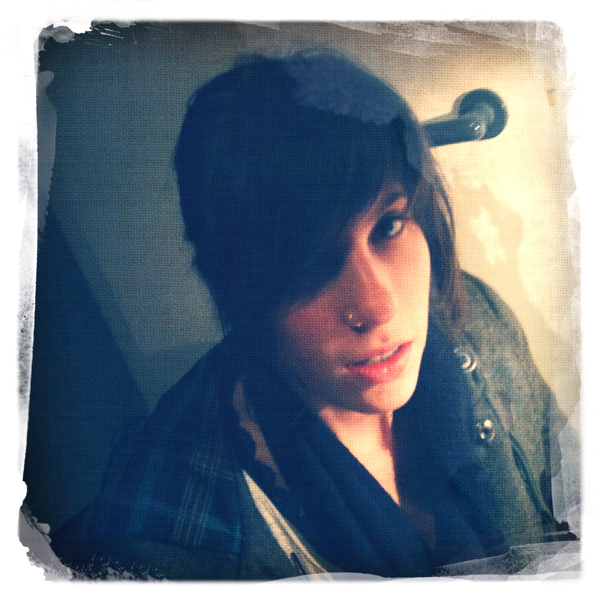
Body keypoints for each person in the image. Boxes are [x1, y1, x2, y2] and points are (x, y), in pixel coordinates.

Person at [49, 50, 574, 580]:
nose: (378, 306)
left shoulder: (476, 319)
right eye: (310, 260)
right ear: (239, 287)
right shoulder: (163, 539)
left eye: (389, 226)